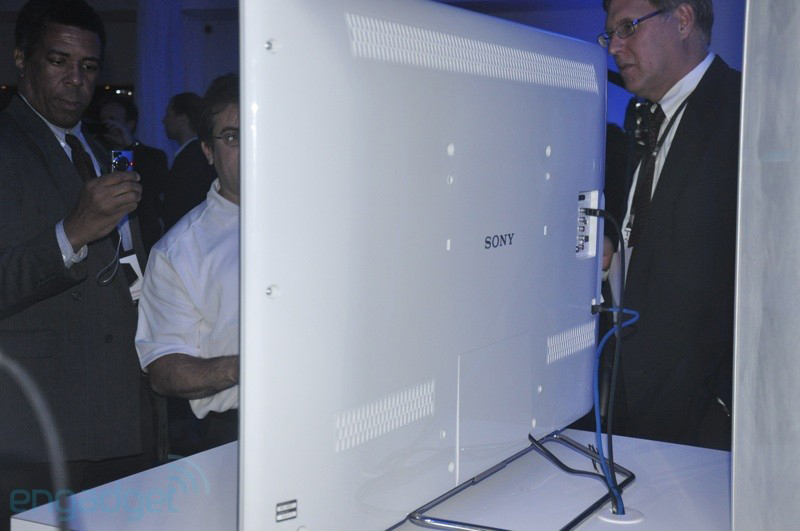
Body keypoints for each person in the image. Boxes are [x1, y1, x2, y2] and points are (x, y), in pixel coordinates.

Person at [0, 0, 162, 527]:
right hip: (41, 424)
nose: (76, 80)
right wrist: (71, 233)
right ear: (21, 59)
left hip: (124, 409)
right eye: (58, 61)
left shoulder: (97, 150)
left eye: (88, 66)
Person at [599, 0, 739, 449]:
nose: (614, 47)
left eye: (627, 27)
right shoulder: (644, 117)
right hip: (633, 408)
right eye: (610, 34)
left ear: (682, 19)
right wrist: (614, 259)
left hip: (707, 424)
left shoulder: (747, 112)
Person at [136, 74, 240, 455]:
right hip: (234, 432)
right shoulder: (178, 252)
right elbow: (163, 369)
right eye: (232, 137)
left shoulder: (321, 218)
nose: (250, 147)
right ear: (208, 150)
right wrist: (241, 367)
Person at [96, 94, 168, 254]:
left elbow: (156, 184)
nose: (107, 124)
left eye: (113, 119)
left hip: (144, 238)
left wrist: (130, 145)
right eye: (103, 120)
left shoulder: (151, 155)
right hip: (105, 241)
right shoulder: (95, 154)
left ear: (130, 123)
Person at [160, 91, 217, 231]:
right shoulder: (195, 154)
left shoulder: (191, 158)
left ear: (183, 119)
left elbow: (181, 208)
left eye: (169, 114)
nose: (164, 120)